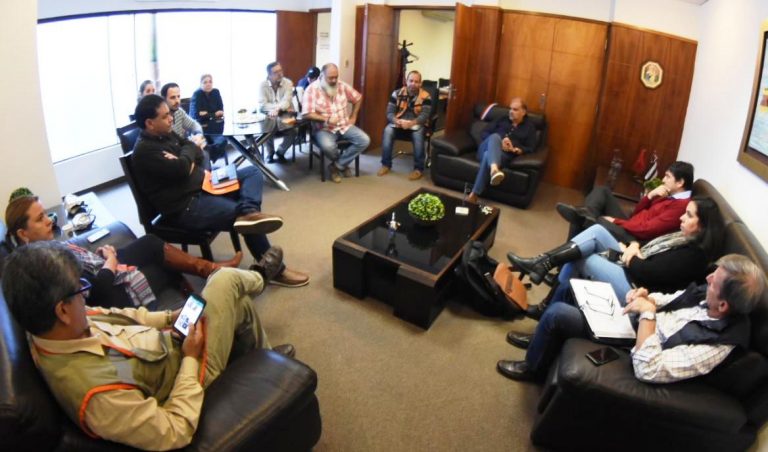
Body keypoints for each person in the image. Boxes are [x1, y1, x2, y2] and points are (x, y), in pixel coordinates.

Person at [2, 241, 295, 450]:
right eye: (80, 290)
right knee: (224, 280)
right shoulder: (97, 397)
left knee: (237, 303)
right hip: (190, 379)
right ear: (62, 311)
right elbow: (173, 430)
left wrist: (169, 317)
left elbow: (124, 316)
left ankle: (265, 361)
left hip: (172, 345)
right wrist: (190, 359)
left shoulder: (54, 327)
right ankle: (261, 277)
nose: (84, 296)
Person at [497, 254, 766, 383]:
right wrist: (646, 296)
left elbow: (650, 369)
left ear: (723, 304)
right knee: (570, 287)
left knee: (557, 314)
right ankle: (540, 341)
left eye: (714, 281)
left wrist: (647, 313)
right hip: (635, 322)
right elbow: (670, 299)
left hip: (633, 346)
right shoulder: (707, 298)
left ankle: (532, 368)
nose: (708, 278)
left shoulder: (717, 344)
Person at [132, 94, 309, 288]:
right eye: (165, 116)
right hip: (187, 205)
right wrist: (186, 159)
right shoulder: (144, 151)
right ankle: (276, 270)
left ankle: (249, 212)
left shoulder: (165, 133)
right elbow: (183, 165)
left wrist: (186, 158)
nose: (171, 118)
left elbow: (197, 152)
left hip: (204, 183)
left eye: (169, 114)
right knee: (244, 218)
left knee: (252, 173)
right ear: (149, 123)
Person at [5, 192, 243, 309]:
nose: (49, 220)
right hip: (109, 290)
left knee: (150, 243)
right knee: (162, 265)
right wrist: (110, 260)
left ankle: (209, 271)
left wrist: (101, 255)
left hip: (103, 267)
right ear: (23, 234)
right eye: (40, 219)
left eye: (46, 214)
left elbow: (82, 265)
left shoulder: (43, 249)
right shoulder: (44, 263)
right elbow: (95, 290)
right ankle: (208, 281)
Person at [507, 197, 723, 324]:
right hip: (634, 268)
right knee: (598, 231)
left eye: (689, 215)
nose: (682, 217)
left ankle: (546, 302)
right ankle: (543, 262)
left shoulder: (694, 255)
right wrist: (634, 246)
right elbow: (647, 250)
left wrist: (630, 255)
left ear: (703, 226)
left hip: (636, 291)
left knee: (584, 259)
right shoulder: (680, 237)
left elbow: (648, 274)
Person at [556, 161, 694, 243]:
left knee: (582, 219)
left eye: (668, 177)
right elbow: (637, 212)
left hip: (634, 237)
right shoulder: (670, 194)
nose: (663, 180)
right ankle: (588, 214)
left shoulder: (681, 207)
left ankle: (561, 270)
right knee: (602, 191)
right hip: (632, 224)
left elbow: (647, 230)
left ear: (680, 182)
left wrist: (616, 221)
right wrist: (650, 195)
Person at [302, 63, 370, 183]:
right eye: (331, 78)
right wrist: (326, 119)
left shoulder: (342, 85)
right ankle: (342, 164)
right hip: (324, 129)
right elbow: (306, 114)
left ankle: (336, 166)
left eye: (336, 77)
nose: (334, 80)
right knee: (329, 147)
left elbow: (358, 98)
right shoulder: (311, 90)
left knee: (364, 140)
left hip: (344, 125)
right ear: (322, 76)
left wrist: (354, 116)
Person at [466, 98, 537, 203]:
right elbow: (484, 133)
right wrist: (500, 140)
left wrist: (516, 149)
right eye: (510, 109)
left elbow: (530, 148)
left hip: (505, 155)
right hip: (485, 148)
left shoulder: (529, 128)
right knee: (495, 137)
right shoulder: (502, 119)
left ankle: (474, 194)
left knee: (488, 156)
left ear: (523, 112)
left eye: (515, 109)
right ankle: (494, 170)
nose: (511, 111)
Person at [377, 70, 433, 181]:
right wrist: (396, 121)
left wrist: (411, 123)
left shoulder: (426, 96)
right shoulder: (396, 93)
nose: (413, 84)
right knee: (387, 130)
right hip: (399, 123)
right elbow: (389, 113)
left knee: (418, 135)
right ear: (406, 81)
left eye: (416, 81)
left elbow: (424, 116)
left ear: (420, 83)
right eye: (411, 81)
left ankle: (418, 169)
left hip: (417, 124)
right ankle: (386, 164)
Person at [258, 62, 298, 164]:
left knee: (294, 130)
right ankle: (270, 153)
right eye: (276, 72)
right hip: (269, 115)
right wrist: (278, 108)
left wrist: (277, 109)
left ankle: (280, 152)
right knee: (266, 130)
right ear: (269, 75)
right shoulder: (263, 85)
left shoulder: (288, 83)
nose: (280, 73)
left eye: (280, 70)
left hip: (286, 115)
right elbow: (262, 105)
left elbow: (287, 101)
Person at [160, 82, 208, 151]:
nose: (177, 101)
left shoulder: (179, 111)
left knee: (203, 148)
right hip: (172, 151)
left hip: (182, 148)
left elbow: (194, 125)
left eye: (178, 96)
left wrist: (198, 135)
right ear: (164, 99)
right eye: (173, 97)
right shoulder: (161, 118)